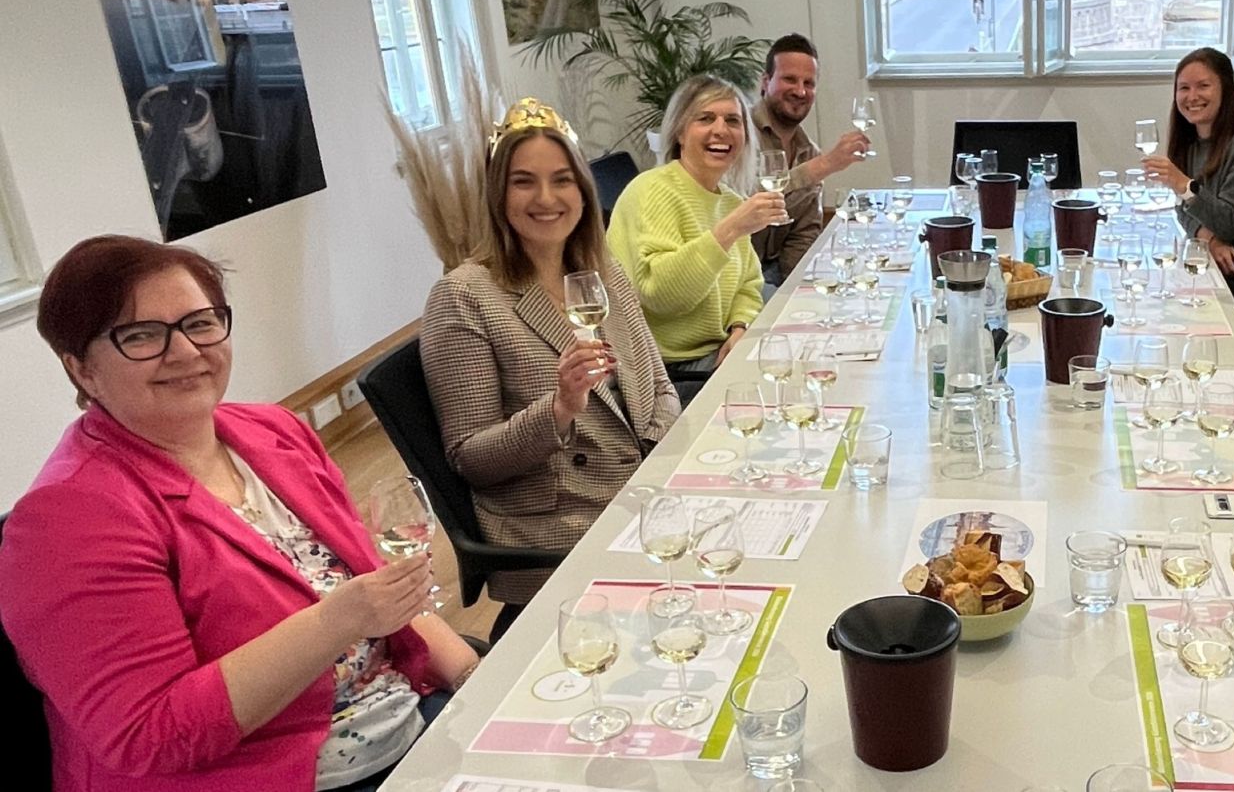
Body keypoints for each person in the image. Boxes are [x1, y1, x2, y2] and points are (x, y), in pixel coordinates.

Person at [0, 236, 478, 792]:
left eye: (200, 323)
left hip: (405, 719)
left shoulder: (272, 431)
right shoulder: (69, 520)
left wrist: (477, 680)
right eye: (141, 335)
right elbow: (149, 735)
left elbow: (378, 589)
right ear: (81, 369)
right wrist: (333, 623)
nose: (185, 351)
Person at [421, 97, 679, 639]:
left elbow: (658, 385)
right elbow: (471, 458)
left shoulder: (602, 273)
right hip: (562, 533)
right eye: (523, 182)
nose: (545, 198)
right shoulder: (465, 296)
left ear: (582, 190)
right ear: (498, 195)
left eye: (561, 180)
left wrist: (662, 474)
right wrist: (559, 409)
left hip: (641, 502)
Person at [608, 76, 786, 395]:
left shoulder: (730, 200)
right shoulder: (652, 190)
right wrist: (730, 230)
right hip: (668, 368)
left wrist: (741, 326)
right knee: (785, 380)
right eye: (705, 118)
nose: (721, 130)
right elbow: (660, 294)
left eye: (732, 120)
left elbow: (748, 284)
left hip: (719, 347)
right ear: (679, 132)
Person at [1141, 46, 1234, 321]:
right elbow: (1182, 208)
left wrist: (1184, 185)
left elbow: (1229, 222)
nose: (1192, 96)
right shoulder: (1191, 141)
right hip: (1213, 272)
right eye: (1184, 88)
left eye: (1203, 86)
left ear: (1225, 89)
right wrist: (1208, 239)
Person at [750, 33, 871, 286]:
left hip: (774, 275)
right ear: (766, 82)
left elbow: (803, 236)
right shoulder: (739, 134)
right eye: (789, 79)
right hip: (735, 278)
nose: (800, 91)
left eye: (809, 83)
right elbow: (742, 202)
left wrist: (800, 290)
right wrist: (824, 165)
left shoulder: (808, 151)